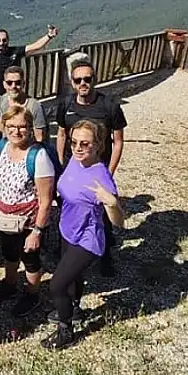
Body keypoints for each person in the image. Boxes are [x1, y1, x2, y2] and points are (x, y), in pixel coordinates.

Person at [44, 120, 125, 350]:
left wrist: (111, 204)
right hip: (67, 229)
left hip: (88, 240)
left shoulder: (102, 177)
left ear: (98, 145)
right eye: (74, 142)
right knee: (73, 278)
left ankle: (65, 330)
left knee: (56, 286)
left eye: (85, 144)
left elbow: (119, 222)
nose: (78, 148)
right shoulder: (74, 162)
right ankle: (75, 308)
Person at [0, 104, 56, 316]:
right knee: (9, 253)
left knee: (30, 260)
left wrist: (37, 231)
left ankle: (32, 294)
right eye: (11, 126)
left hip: (28, 222)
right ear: (4, 127)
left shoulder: (38, 157)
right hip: (5, 218)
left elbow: (45, 200)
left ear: (31, 128)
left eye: (22, 126)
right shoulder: (3, 146)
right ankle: (9, 284)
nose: (16, 131)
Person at [56, 59, 126, 174]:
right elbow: (62, 134)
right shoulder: (66, 104)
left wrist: (110, 172)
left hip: (99, 166)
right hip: (71, 165)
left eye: (87, 79)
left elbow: (118, 142)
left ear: (95, 80)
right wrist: (60, 162)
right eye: (78, 80)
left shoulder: (110, 106)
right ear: (72, 83)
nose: (82, 83)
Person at [0, 66, 48, 143]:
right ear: (4, 84)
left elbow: (40, 137)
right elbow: (1, 123)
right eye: (9, 83)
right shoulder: (4, 99)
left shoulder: (34, 106)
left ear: (23, 84)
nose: (13, 86)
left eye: (18, 83)